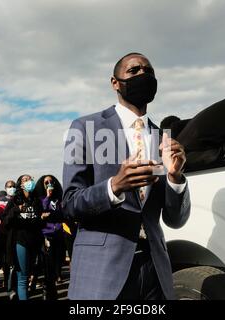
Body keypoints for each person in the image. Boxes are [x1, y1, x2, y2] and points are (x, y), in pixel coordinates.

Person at [62, 52, 191, 300]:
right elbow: (68, 204)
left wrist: (176, 179)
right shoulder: (83, 127)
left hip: (154, 272)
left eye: (148, 71)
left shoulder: (162, 138)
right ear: (115, 82)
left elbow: (175, 220)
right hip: (104, 273)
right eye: (133, 71)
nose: (143, 74)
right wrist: (114, 187)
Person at [2, 174, 44, 300]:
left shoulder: (37, 200)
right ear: (20, 184)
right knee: (23, 277)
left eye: (30, 179)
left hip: (35, 241)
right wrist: (15, 210)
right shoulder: (14, 200)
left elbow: (40, 221)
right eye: (25, 180)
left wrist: (42, 219)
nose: (29, 181)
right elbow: (5, 222)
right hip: (20, 241)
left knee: (31, 273)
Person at [34, 174, 65, 300]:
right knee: (48, 264)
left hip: (59, 233)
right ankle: (48, 290)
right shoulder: (40, 199)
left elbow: (62, 212)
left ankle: (56, 281)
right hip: (46, 235)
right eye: (46, 182)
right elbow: (41, 211)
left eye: (51, 182)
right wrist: (47, 196)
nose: (49, 184)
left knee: (59, 260)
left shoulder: (59, 199)